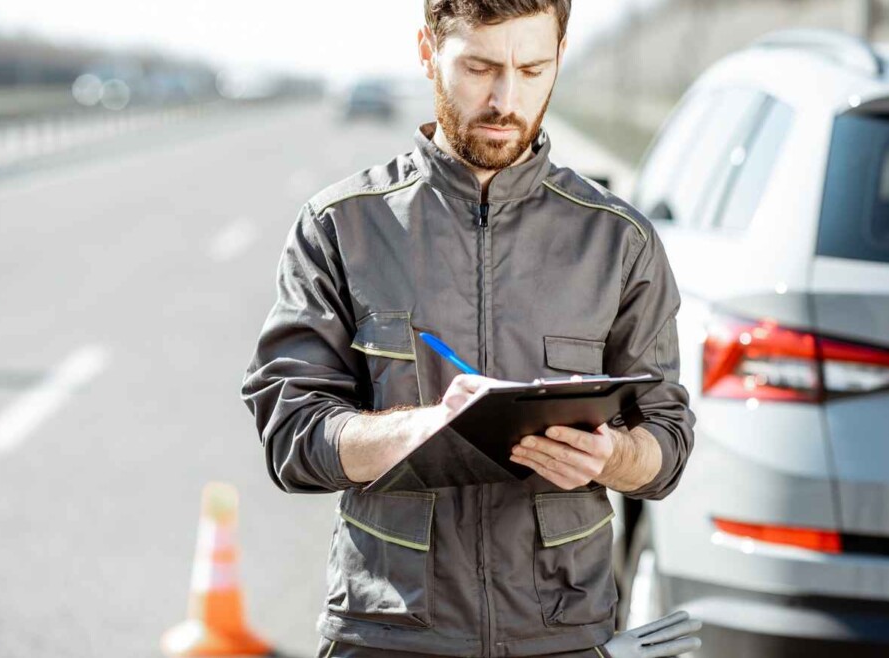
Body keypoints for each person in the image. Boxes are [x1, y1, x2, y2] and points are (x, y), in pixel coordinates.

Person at [242, 1, 696, 656]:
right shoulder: (340, 227)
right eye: (480, 66)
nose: (505, 98)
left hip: (562, 633)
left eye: (532, 68)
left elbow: (668, 442)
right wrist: (421, 429)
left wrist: (614, 456)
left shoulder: (618, 241)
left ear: (559, 58)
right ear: (428, 51)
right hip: (387, 633)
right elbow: (290, 435)